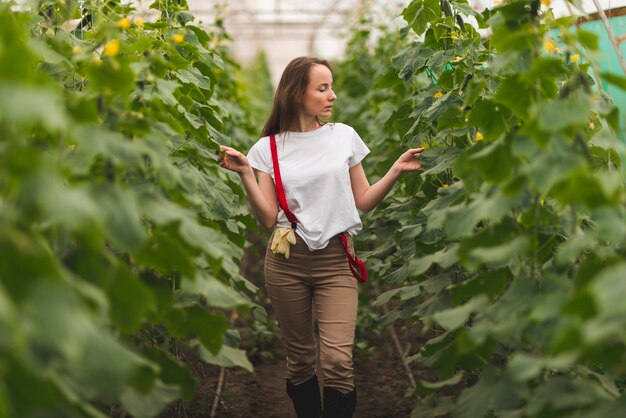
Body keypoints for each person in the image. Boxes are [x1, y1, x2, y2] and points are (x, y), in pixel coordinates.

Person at [217, 56, 423, 418]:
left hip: (336, 261)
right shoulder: (267, 149)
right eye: (323, 88)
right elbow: (267, 217)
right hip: (285, 263)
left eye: (331, 87)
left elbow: (362, 201)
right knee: (299, 361)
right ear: (297, 94)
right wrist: (246, 174)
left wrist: (395, 170)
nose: (333, 96)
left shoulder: (342, 135)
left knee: (338, 360)